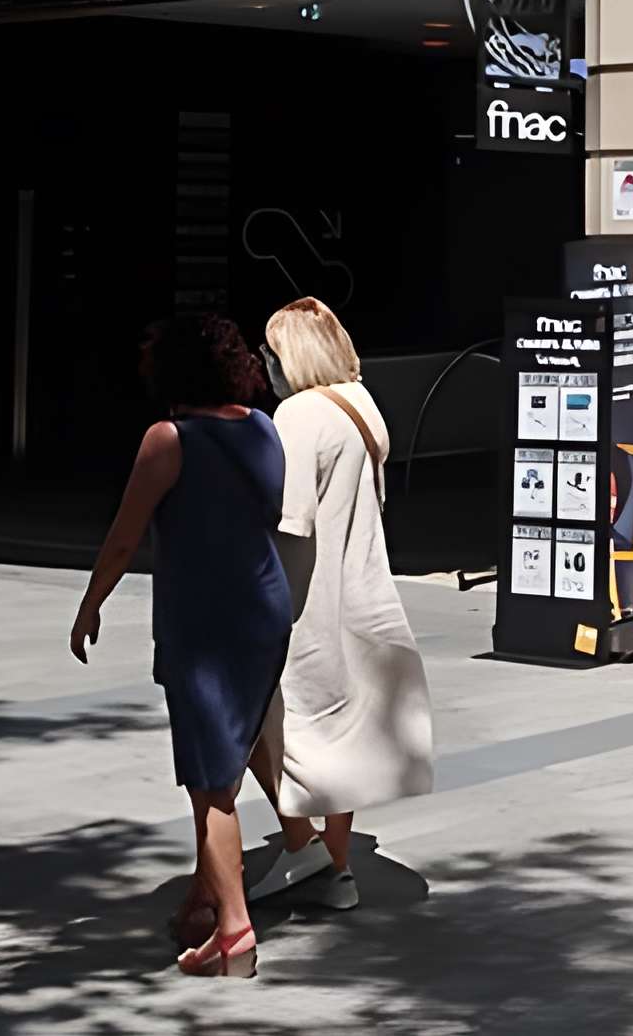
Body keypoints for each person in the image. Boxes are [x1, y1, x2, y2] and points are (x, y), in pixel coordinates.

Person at [70, 314, 292, 980]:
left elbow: (122, 536)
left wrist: (89, 606)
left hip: (205, 626)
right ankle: (205, 897)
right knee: (239, 747)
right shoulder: (262, 429)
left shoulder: (169, 440)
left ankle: (234, 931)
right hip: (266, 611)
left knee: (209, 784)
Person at [247, 299, 435, 909]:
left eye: (270, 351)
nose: (264, 363)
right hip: (359, 592)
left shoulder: (298, 415)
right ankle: (334, 863)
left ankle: (306, 851)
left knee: (256, 724)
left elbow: (289, 520)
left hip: (302, 598)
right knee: (336, 732)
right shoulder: (361, 402)